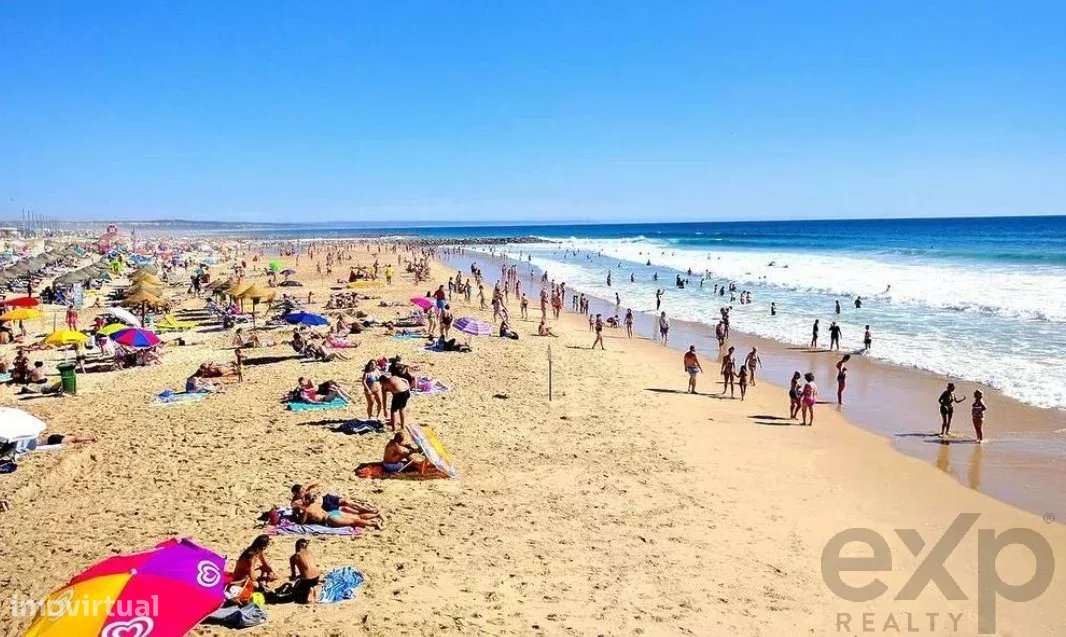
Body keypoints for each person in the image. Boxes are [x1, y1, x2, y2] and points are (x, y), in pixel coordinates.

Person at [230, 535, 278, 599]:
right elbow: (251, 570)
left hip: (247, 575)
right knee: (256, 586)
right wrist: (256, 582)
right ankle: (262, 585)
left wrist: (271, 572)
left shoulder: (258, 551)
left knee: (267, 572)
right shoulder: (251, 554)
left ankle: (262, 584)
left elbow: (265, 563)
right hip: (241, 578)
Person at [289, 539, 321, 604]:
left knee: (296, 590)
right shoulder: (310, 552)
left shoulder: (294, 557)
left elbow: (293, 575)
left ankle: (310, 591)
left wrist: (293, 578)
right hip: (317, 576)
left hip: (307, 579)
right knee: (307, 578)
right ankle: (313, 586)